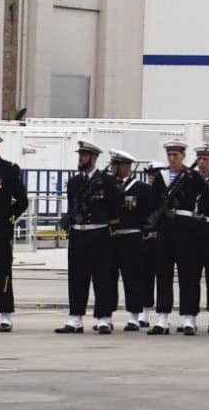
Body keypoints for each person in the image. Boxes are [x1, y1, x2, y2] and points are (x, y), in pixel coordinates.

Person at [59, 140, 120, 334]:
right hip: (78, 233)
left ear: (94, 158)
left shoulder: (107, 182)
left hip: (99, 233)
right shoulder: (75, 182)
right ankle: (75, 318)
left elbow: (116, 207)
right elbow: (72, 207)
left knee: (102, 277)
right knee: (77, 277)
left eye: (84, 155)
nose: (81, 158)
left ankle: (103, 318)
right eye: (80, 155)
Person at [146, 138, 198, 335]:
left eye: (176, 155)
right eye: (169, 155)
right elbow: (152, 203)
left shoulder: (191, 176)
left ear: (183, 156)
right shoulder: (161, 177)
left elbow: (207, 197)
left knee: (188, 275)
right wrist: (156, 224)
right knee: (163, 275)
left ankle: (188, 318)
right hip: (165, 230)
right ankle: (162, 318)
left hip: (185, 230)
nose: (172, 158)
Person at [177, 143, 209, 335]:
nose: (201, 163)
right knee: (189, 275)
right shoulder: (187, 181)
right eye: (199, 159)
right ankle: (189, 316)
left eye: (205, 159)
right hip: (192, 232)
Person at [107, 151, 154, 332]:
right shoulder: (108, 185)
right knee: (108, 279)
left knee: (133, 277)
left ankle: (134, 316)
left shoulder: (141, 188)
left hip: (131, 236)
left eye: (115, 165)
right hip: (111, 236)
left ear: (125, 166)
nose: (112, 169)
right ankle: (106, 315)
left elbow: (146, 213)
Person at [0, 128, 28, 331]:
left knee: (1, 271)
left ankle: (5, 315)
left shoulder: (8, 169)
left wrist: (8, 218)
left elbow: (22, 201)